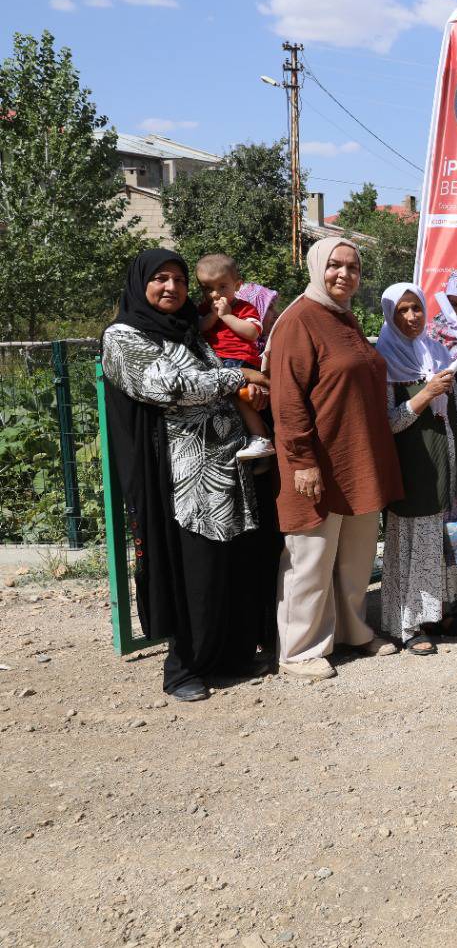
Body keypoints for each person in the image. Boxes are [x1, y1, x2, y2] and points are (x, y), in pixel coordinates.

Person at [101, 251, 272, 701]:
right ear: (141, 284)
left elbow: (213, 372)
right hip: (180, 480)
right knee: (193, 571)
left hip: (228, 473)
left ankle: (231, 655)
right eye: (160, 279)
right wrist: (238, 376)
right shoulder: (124, 336)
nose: (172, 288)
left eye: (179, 279)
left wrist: (239, 381)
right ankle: (184, 668)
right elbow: (165, 387)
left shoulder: (190, 333)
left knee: (230, 567)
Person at [269, 236, 404, 681]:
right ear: (316, 268)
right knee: (311, 557)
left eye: (353, 268)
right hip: (319, 462)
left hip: (357, 459)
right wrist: (302, 460)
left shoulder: (342, 317)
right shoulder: (299, 321)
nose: (344, 274)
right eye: (335, 266)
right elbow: (288, 400)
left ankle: (353, 631)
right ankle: (301, 648)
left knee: (355, 558)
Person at [374, 283, 457, 655]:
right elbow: (388, 422)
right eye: (402, 310)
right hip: (414, 462)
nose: (410, 317)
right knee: (417, 540)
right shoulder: (384, 360)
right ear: (391, 313)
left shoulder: (436, 351)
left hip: (448, 458)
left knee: (445, 540)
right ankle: (409, 624)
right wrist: (424, 394)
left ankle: (443, 614)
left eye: (416, 309)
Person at [195, 253, 275, 460]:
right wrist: (213, 316)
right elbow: (199, 328)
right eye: (207, 288)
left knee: (240, 398)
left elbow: (252, 332)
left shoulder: (244, 308)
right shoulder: (203, 310)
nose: (214, 294)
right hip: (215, 362)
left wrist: (226, 316)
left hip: (239, 361)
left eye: (222, 287)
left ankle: (261, 438)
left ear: (237, 285)